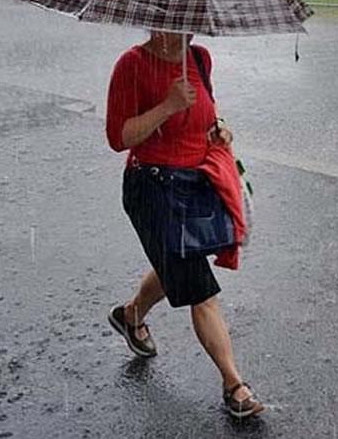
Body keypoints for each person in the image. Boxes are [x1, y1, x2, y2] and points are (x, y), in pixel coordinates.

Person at [104, 30, 264, 419]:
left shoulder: (199, 58)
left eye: (193, 19)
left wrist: (220, 129)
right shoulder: (132, 64)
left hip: (194, 186)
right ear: (156, 18)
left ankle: (131, 315)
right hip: (152, 189)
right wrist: (167, 106)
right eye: (178, 18)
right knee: (199, 287)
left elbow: (207, 111)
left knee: (175, 264)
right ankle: (234, 385)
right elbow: (118, 137)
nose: (186, 28)